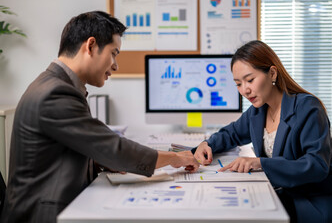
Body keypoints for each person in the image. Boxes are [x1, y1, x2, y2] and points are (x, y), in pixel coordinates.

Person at [0, 11, 199, 223]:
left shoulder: (55, 84)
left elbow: (62, 153)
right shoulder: (55, 93)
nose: (115, 65)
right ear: (91, 46)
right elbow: (115, 149)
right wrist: (176, 158)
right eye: (114, 53)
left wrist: (99, 162)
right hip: (40, 216)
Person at [192, 40, 332, 223]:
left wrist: (260, 163)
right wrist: (207, 144)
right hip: (283, 196)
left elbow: (316, 166)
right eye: (238, 83)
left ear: (272, 73)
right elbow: (232, 133)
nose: (245, 90)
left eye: (250, 80)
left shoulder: (307, 108)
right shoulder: (257, 112)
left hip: (316, 203)